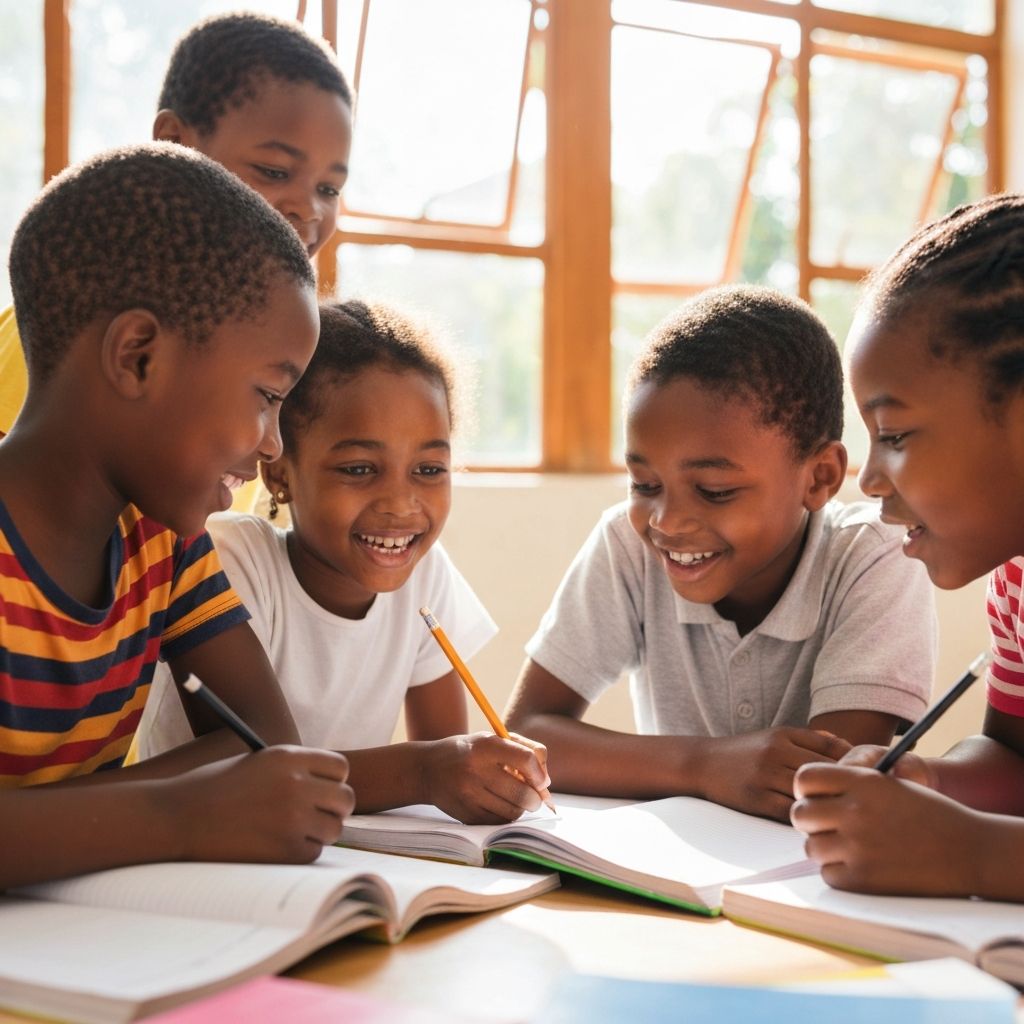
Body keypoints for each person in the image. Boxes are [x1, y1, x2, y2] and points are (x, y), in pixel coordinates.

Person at [0, 143, 354, 888]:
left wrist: (45, 826)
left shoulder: (161, 544)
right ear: (137, 358)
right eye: (267, 395)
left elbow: (262, 742)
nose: (272, 445)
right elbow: (225, 783)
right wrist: (179, 815)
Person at [505, 285, 936, 822]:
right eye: (643, 484)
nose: (665, 521)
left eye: (714, 491)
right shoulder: (627, 545)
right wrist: (703, 765)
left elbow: (829, 784)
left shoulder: (874, 556)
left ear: (819, 477)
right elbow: (524, 735)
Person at [137, 300, 550, 825]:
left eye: (429, 469)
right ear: (280, 474)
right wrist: (426, 772)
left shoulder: (427, 575)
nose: (401, 505)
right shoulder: (231, 561)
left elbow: (451, 758)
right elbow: (253, 776)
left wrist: (485, 779)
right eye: (359, 468)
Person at [0, 10, 353, 479]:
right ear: (174, 142)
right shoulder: (70, 337)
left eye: (329, 189)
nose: (309, 209)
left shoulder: (271, 361)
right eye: (274, 171)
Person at [791, 194, 1024, 900]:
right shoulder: (1016, 584)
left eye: (893, 436)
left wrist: (970, 853)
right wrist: (931, 782)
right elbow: (1014, 761)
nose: (866, 479)